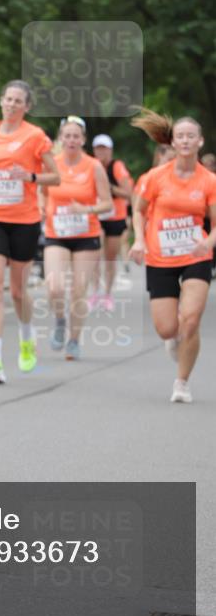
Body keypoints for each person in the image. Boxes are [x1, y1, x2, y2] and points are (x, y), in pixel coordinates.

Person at [0, 81, 60, 382]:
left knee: (19, 291)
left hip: (24, 219)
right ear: (1, 101)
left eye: (18, 101)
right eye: (7, 99)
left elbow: (55, 177)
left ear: (26, 107)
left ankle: (26, 337)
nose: (11, 104)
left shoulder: (35, 137)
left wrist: (31, 175)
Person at [129, 109, 216, 403]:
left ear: (200, 141)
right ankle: (174, 339)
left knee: (191, 320)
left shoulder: (209, 181)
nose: (186, 140)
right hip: (160, 257)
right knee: (168, 328)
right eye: (181, 136)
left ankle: (182, 382)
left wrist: (209, 243)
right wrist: (139, 241)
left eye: (191, 136)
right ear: (173, 142)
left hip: (195, 255)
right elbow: (139, 211)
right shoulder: (155, 177)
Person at [42, 117, 113, 361]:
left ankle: (74, 340)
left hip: (86, 234)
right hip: (57, 233)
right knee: (55, 285)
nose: (71, 140)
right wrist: (42, 208)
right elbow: (41, 192)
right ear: (61, 138)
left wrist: (86, 210)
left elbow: (107, 203)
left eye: (76, 136)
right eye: (67, 136)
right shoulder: (52, 164)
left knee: (78, 290)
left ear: (83, 140)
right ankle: (60, 320)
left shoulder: (93, 166)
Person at [91, 134, 133, 311]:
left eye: (104, 148)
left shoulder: (117, 167)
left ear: (110, 150)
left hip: (115, 216)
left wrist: (110, 188)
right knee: (95, 255)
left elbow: (129, 193)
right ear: (94, 150)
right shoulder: (90, 165)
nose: (101, 151)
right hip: (96, 216)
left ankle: (107, 294)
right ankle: (95, 293)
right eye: (98, 148)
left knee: (109, 258)